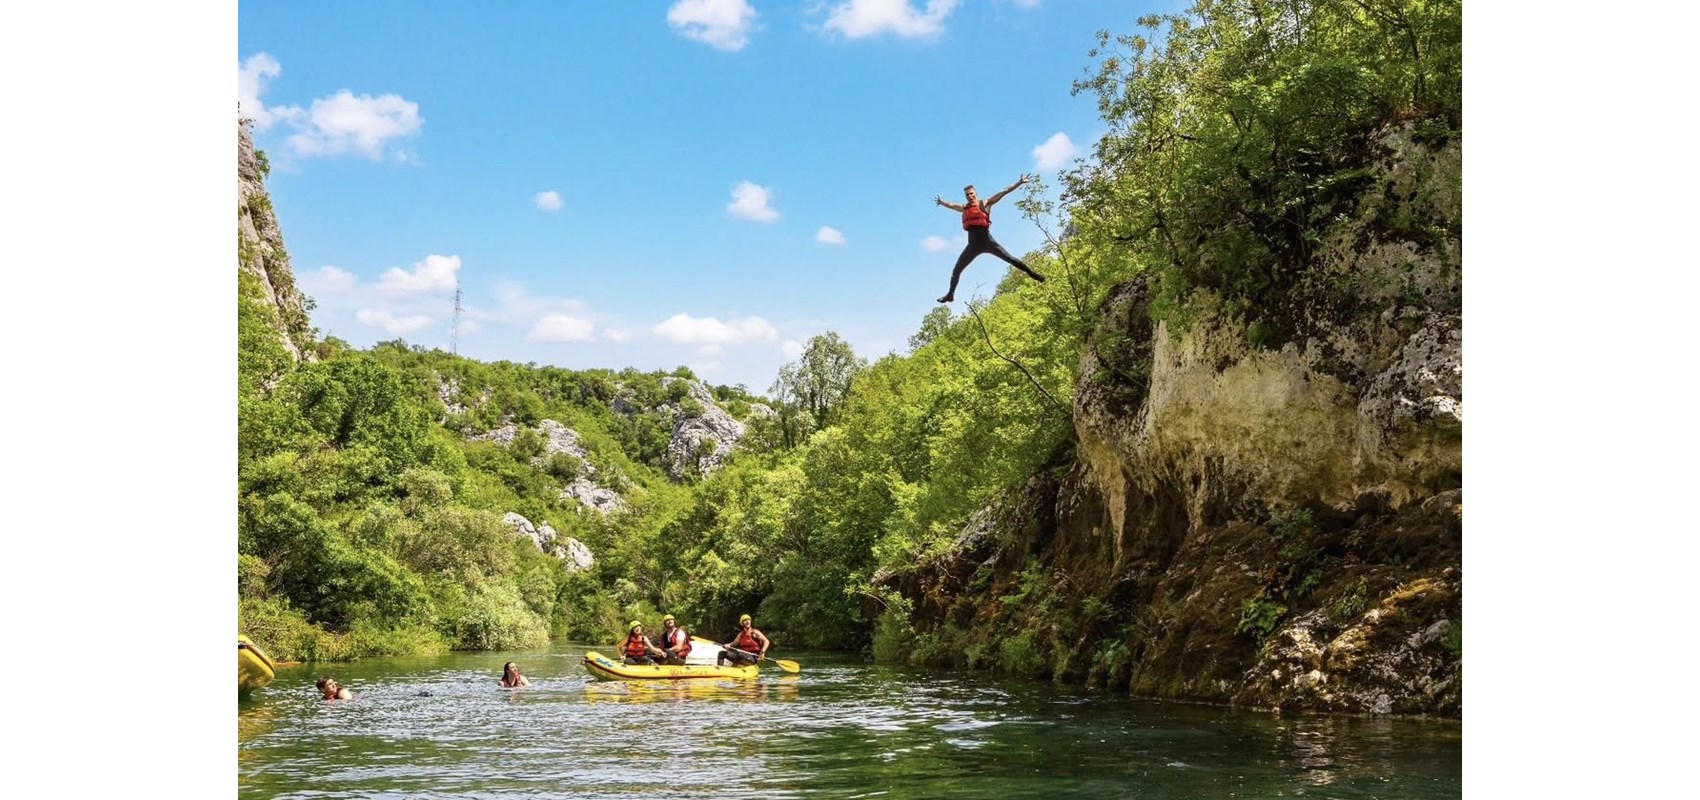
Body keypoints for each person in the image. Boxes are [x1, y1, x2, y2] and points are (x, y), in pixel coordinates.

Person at [932, 174, 1046, 303]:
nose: (970, 196)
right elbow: (952, 205)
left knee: (1011, 259)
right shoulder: (964, 208)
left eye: (971, 193)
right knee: (956, 270)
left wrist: (1019, 183)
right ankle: (950, 294)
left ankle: (1033, 274)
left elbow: (1003, 192)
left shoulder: (985, 203)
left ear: (975, 193)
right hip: (973, 246)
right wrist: (942, 203)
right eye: (967, 195)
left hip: (988, 242)